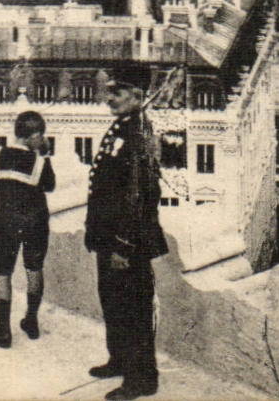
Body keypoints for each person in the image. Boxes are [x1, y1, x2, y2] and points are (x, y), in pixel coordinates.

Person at [85, 69, 167, 401]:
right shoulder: (124, 126)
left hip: (126, 240)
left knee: (133, 309)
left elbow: (139, 194)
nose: (109, 98)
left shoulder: (139, 133)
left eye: (116, 93)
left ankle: (141, 379)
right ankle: (119, 359)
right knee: (113, 301)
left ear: (135, 95)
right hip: (109, 234)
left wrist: (123, 244)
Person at [0, 110, 56, 348]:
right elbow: (50, 186)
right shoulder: (39, 161)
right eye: (42, 135)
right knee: (34, 269)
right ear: (36, 135)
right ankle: (31, 320)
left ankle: (3, 330)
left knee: (3, 273)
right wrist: (46, 154)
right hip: (36, 224)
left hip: (5, 223)